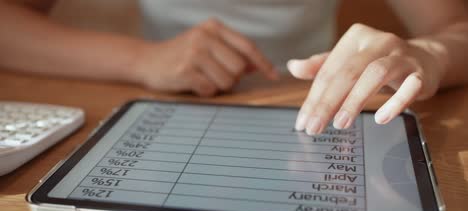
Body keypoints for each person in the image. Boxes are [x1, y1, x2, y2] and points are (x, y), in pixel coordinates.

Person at [1, 1, 468, 135]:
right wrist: (143, 60)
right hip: (163, 111)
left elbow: (455, 26)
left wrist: (429, 52)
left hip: (310, 117)